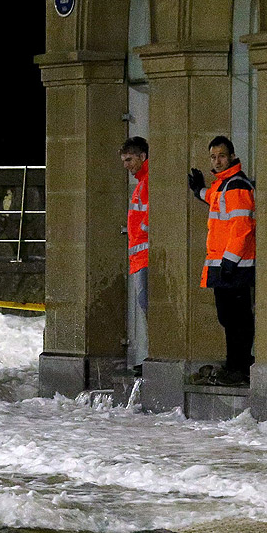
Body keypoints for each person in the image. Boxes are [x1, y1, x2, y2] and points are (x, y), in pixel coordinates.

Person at [187, 136, 255, 386]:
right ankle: (235, 364)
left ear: (232, 156)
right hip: (225, 264)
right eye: (213, 157)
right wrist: (199, 190)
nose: (217, 161)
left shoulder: (236, 185)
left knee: (237, 319)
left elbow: (242, 227)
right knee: (229, 318)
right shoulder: (224, 184)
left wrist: (230, 261)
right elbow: (214, 198)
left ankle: (239, 366)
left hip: (232, 265)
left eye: (222, 156)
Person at [120, 136, 149, 373]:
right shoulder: (142, 183)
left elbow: (149, 222)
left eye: (129, 159)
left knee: (149, 306)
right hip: (140, 259)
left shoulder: (147, 183)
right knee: (146, 306)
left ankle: (153, 360)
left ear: (142, 157)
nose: (126, 165)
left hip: (146, 258)